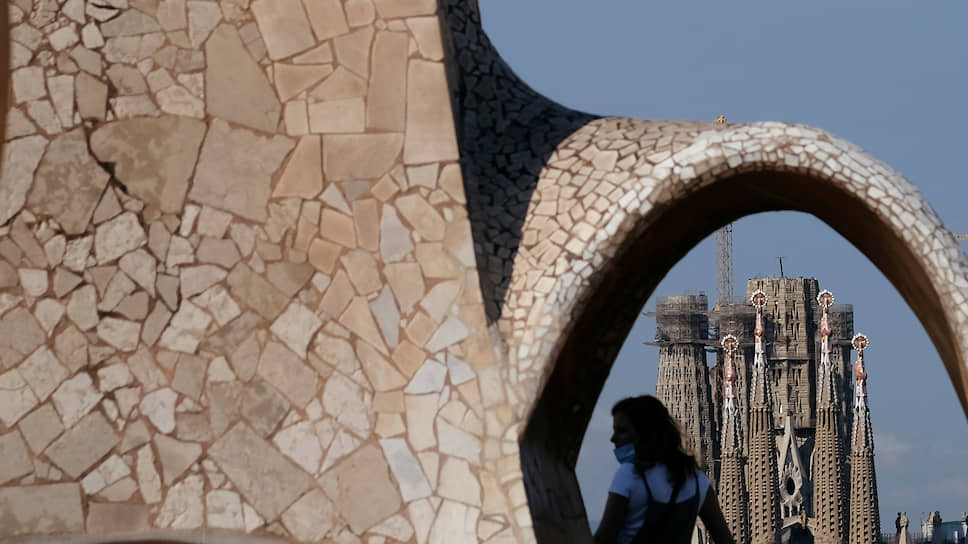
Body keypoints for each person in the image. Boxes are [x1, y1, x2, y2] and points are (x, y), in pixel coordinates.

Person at [593, 395, 735, 544]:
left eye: (621, 431)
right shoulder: (697, 480)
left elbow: (603, 538)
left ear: (644, 433)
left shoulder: (630, 475)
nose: (613, 438)